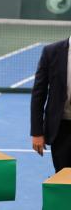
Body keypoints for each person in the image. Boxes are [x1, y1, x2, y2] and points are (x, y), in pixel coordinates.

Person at [30, 37, 71, 173]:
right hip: (61, 129)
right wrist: (37, 132)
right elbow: (38, 93)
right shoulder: (51, 52)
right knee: (63, 177)